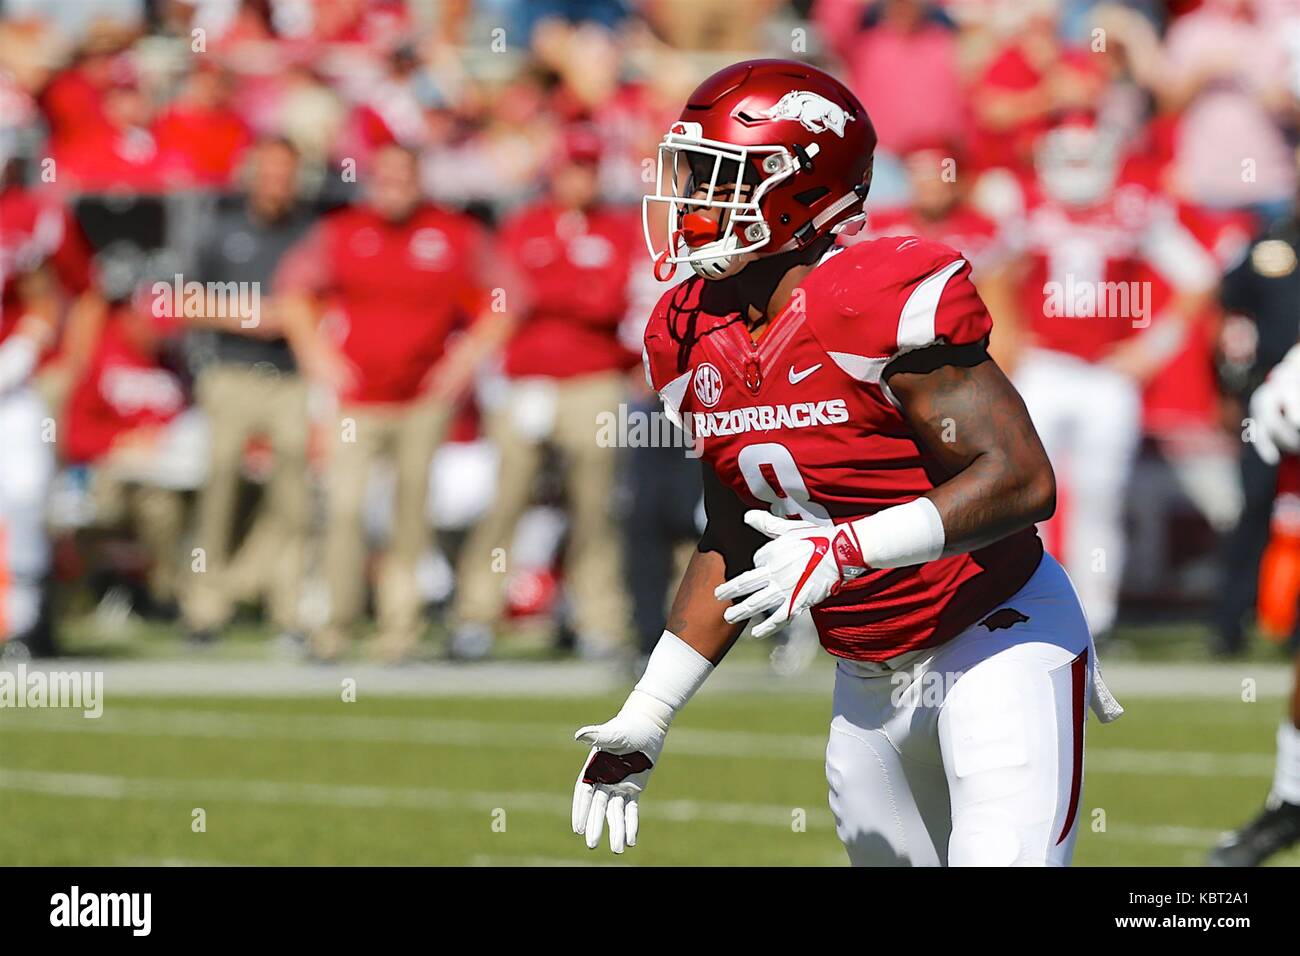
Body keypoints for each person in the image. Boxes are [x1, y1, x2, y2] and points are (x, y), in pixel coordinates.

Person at [569, 60, 1121, 866]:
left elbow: (1022, 480)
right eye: (689, 172)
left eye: (719, 177)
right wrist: (650, 711)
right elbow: (733, 532)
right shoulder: (683, 330)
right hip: (864, 675)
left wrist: (848, 548)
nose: (689, 199)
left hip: (990, 636)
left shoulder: (874, 293)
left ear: (799, 188)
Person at [277, 143, 512, 662]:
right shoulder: (343, 231)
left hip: (422, 398)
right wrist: (319, 357)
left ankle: (398, 630)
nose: (394, 187)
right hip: (357, 398)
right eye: (385, 177)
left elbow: (507, 297)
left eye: (403, 177)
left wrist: (463, 362)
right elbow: (291, 292)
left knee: (411, 514)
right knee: (344, 510)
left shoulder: (453, 233)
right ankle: (333, 626)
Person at [1005, 116, 1216, 637]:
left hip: (1106, 374)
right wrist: (1007, 338)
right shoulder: (1026, 204)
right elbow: (988, 269)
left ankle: (1094, 618)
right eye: (1069, 158)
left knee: (1101, 493)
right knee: (1024, 493)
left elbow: (1199, 277)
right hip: (1045, 366)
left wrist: (1151, 349)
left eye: (1085, 158)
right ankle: (1025, 602)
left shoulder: (1135, 207)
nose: (1077, 170)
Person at [450, 127, 638, 660]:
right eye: (571, 168)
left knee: (596, 505)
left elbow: (608, 302)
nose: (579, 179)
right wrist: (569, 287)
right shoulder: (523, 224)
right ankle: (475, 614)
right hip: (527, 380)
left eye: (588, 168)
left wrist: (550, 289)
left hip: (593, 380)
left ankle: (597, 618)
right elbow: (511, 295)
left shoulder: (617, 227)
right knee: (506, 500)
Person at [182, 137, 316, 646]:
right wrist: (246, 317)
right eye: (269, 171)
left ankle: (290, 606)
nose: (277, 182)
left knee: (295, 496)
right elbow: (185, 301)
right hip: (232, 373)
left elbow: (329, 301)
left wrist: (295, 320)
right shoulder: (220, 231)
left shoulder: (310, 234)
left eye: (286, 172)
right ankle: (204, 606)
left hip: (291, 376)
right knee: (218, 485)